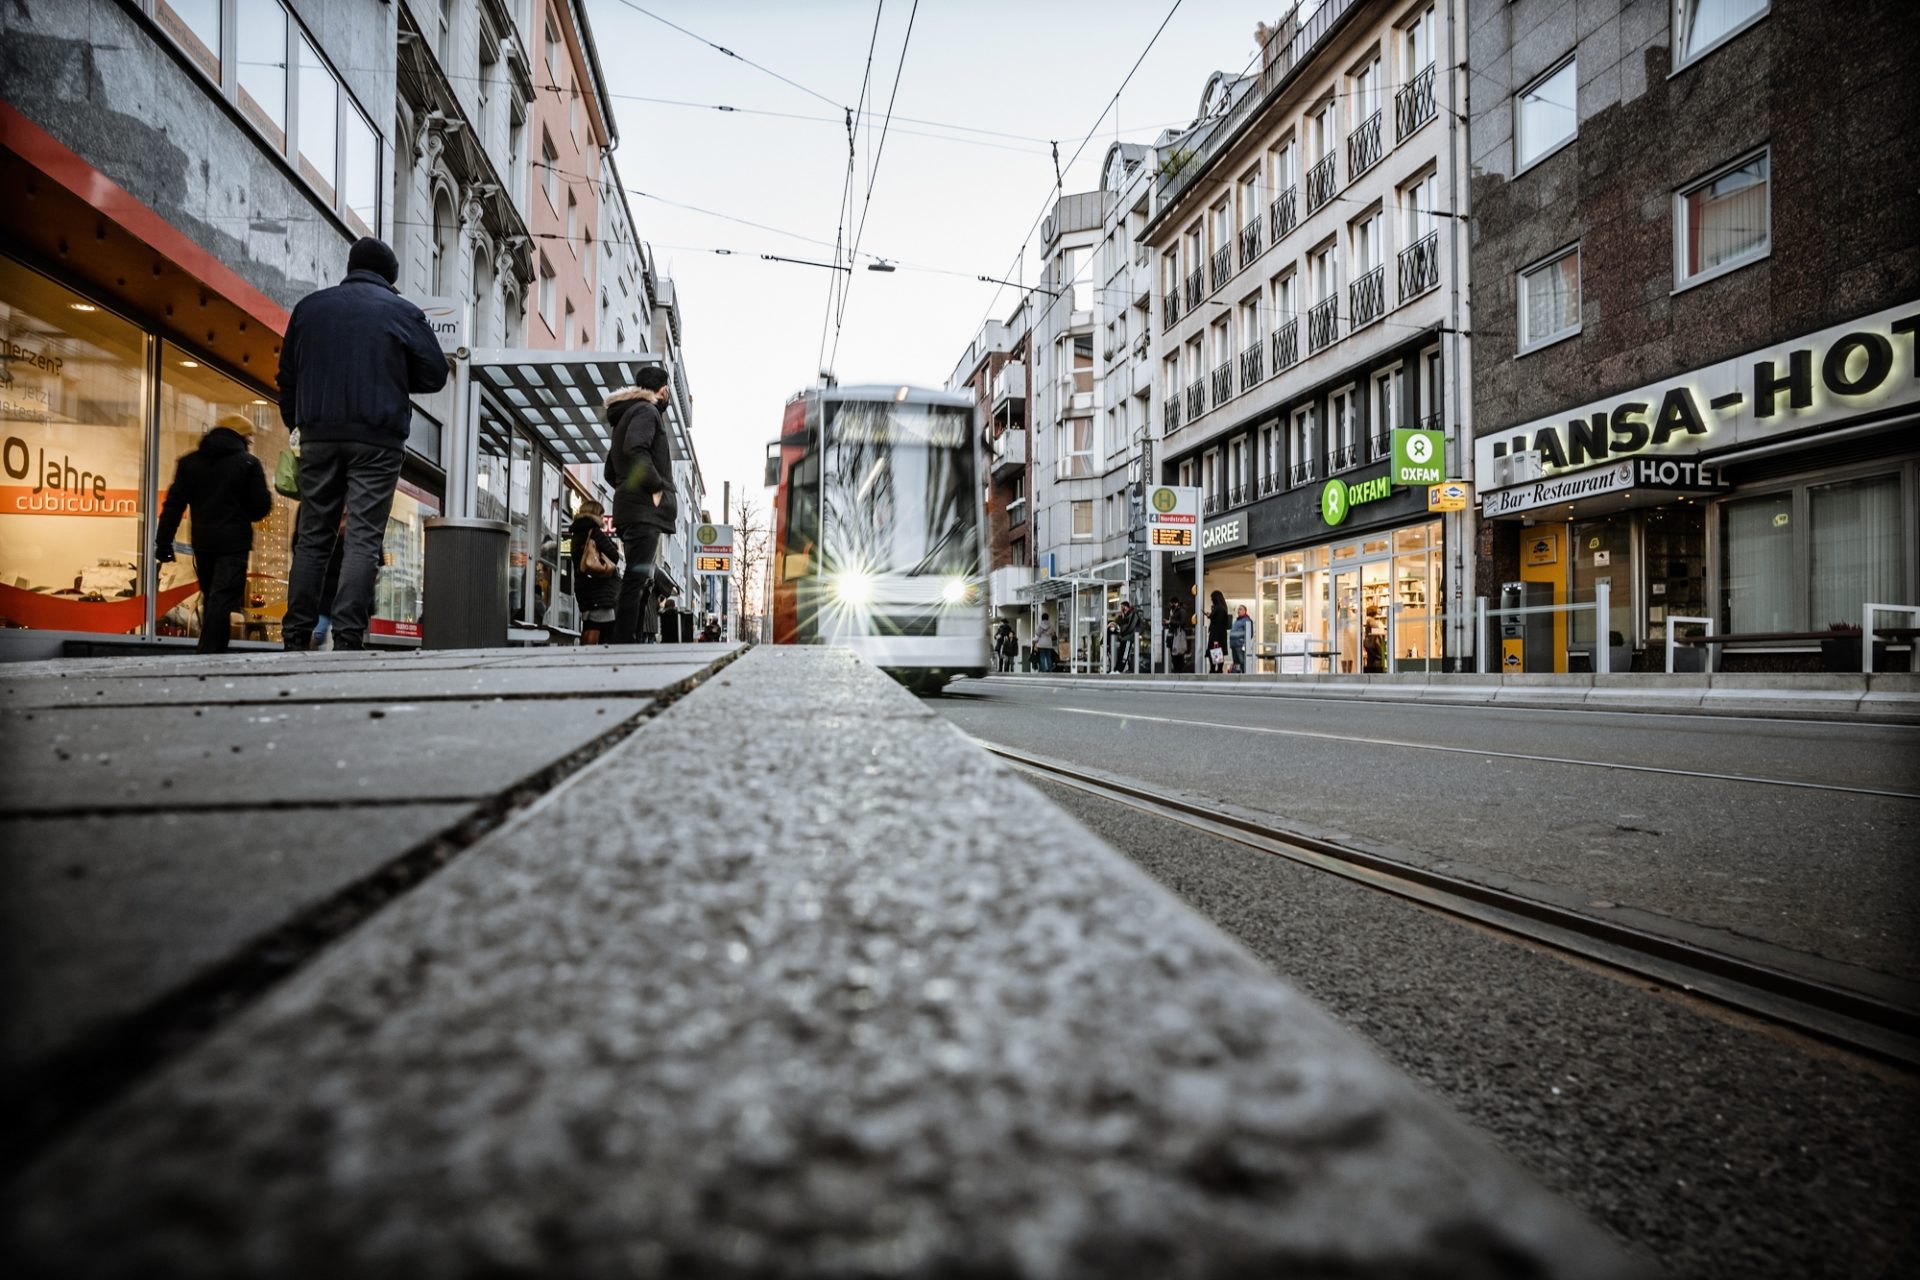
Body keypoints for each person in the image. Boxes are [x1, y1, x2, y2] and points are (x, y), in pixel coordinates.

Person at [279, 237, 448, 651]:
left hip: (318, 434)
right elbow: (436, 373)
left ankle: (295, 633)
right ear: (391, 277)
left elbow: (288, 375)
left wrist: (299, 425)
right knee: (363, 537)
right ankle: (349, 636)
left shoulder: (309, 309)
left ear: (350, 265)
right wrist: (394, 372)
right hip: (377, 437)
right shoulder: (403, 312)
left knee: (313, 535)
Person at [153, 412, 273, 653]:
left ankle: (209, 648)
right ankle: (210, 650)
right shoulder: (247, 463)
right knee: (222, 597)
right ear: (241, 437)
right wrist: (243, 512)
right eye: (248, 438)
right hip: (234, 543)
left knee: (212, 597)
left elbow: (174, 506)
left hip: (203, 541)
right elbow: (261, 506)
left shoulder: (190, 463)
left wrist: (163, 543)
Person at [604, 367, 677, 644]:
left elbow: (610, 472)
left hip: (630, 509)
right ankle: (624, 640)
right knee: (636, 578)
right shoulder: (647, 412)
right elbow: (636, 449)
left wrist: (628, 490)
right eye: (667, 390)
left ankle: (628, 637)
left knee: (639, 575)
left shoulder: (626, 416)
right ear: (662, 389)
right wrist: (655, 486)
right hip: (643, 511)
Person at [569, 499, 621, 645]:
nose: (603, 518)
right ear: (595, 514)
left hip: (583, 587)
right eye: (602, 514)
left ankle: (585, 659)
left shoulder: (576, 533)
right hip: (599, 590)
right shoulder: (593, 531)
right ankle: (594, 660)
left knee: (589, 625)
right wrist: (612, 545)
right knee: (601, 629)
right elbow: (614, 556)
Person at [1111, 600, 1139, 673]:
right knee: (1120, 654)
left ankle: (1120, 669)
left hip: (1128, 637)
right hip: (1123, 638)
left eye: (1123, 607)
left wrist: (1123, 634)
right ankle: (1116, 669)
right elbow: (1119, 625)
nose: (1122, 609)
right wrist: (1121, 617)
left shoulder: (1133, 614)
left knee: (1124, 655)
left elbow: (1131, 627)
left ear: (1127, 607)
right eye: (1121, 608)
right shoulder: (1124, 615)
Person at [1207, 590, 1230, 674]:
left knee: (1215, 651)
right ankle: (1217, 669)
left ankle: (1215, 669)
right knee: (1218, 652)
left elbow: (1218, 624)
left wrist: (1215, 638)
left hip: (1217, 634)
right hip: (1220, 634)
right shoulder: (1222, 607)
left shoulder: (1219, 608)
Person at [1230, 603, 1253, 675]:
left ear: (1245, 611)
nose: (1238, 611)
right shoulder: (1237, 620)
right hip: (1234, 644)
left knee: (1242, 661)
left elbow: (1250, 634)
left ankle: (1244, 674)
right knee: (1236, 662)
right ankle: (1237, 675)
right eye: (1238, 609)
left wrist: (1243, 642)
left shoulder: (1247, 620)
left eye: (1240, 609)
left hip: (1240, 645)